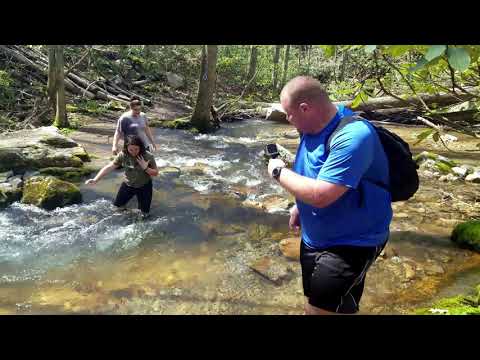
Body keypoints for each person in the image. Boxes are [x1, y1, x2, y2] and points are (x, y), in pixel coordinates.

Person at [267, 76, 392, 315]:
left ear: (306, 108)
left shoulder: (353, 135)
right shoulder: (311, 126)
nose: (288, 119)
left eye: (289, 114)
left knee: (316, 310)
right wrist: (298, 207)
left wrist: (278, 171)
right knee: (338, 305)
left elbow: (321, 195)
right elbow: (313, 168)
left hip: (354, 242)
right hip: (315, 238)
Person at [86, 135, 159, 218]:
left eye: (136, 149)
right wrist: (96, 179)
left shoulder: (148, 156)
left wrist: (146, 168)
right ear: (126, 147)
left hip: (144, 186)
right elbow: (110, 167)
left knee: (144, 214)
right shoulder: (123, 155)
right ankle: (130, 213)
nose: (134, 152)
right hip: (128, 185)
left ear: (141, 147)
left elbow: (156, 173)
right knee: (117, 208)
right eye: (131, 149)